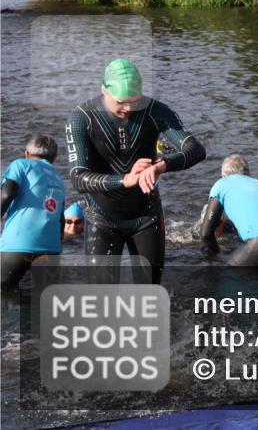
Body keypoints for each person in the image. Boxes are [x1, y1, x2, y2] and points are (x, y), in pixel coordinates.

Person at [66, 59, 206, 284]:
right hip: (101, 219)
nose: (129, 109)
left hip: (146, 218)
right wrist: (125, 180)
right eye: (121, 102)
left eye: (135, 101)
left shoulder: (156, 111)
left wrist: (162, 165)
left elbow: (196, 150)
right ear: (104, 92)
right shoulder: (82, 117)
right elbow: (78, 177)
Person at [1, 135, 66, 291]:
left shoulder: (21, 165)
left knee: (4, 294)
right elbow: (60, 217)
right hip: (51, 249)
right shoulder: (59, 177)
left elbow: (6, 194)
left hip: (18, 245)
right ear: (54, 158)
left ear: (27, 154)